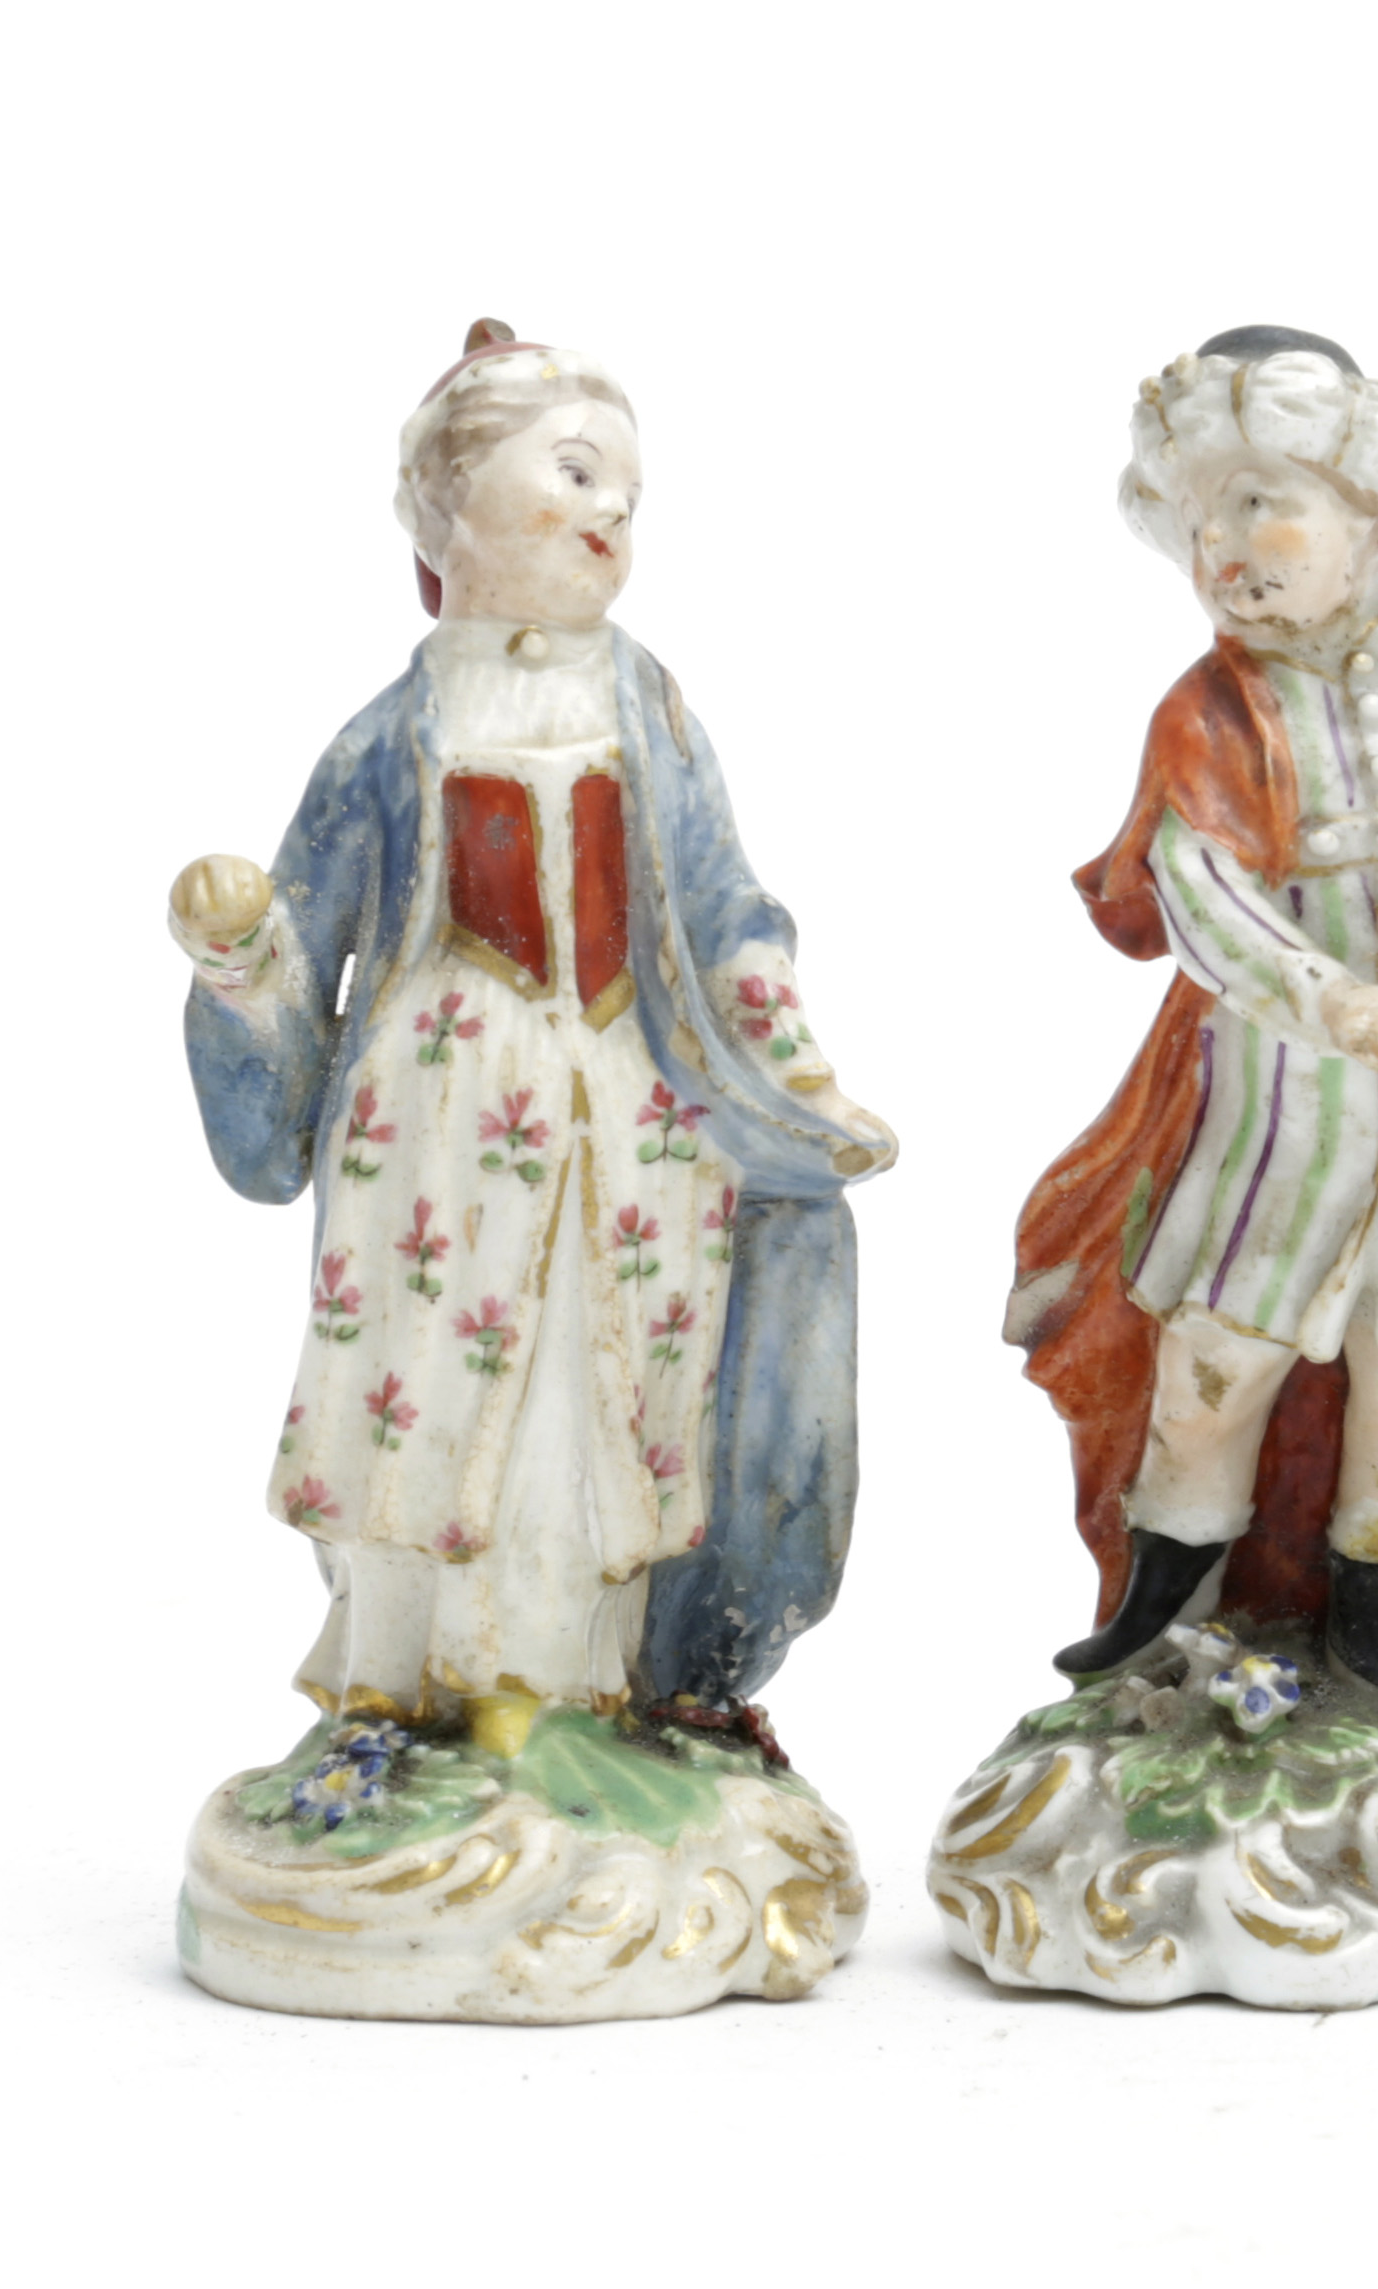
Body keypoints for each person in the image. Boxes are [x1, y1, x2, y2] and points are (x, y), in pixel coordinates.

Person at [174, 320, 896, 1759]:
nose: (612, 506)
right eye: (574, 469)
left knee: (596, 1391)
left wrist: (788, 1066)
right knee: (434, 1377)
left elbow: (727, 905)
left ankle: (569, 1681)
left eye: (629, 487)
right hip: (440, 1111)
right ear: (449, 502)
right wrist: (242, 959)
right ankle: (400, 1674)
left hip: (627, 1108)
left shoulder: (652, 706)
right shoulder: (395, 729)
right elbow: (305, 923)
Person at [1007, 327, 1378, 1714]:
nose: (1224, 547)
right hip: (1286, 1115)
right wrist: (1328, 999)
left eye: (1261, 503)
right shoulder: (1211, 712)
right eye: (1201, 522)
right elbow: (1200, 889)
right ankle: (1169, 1607)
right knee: (1220, 1354)